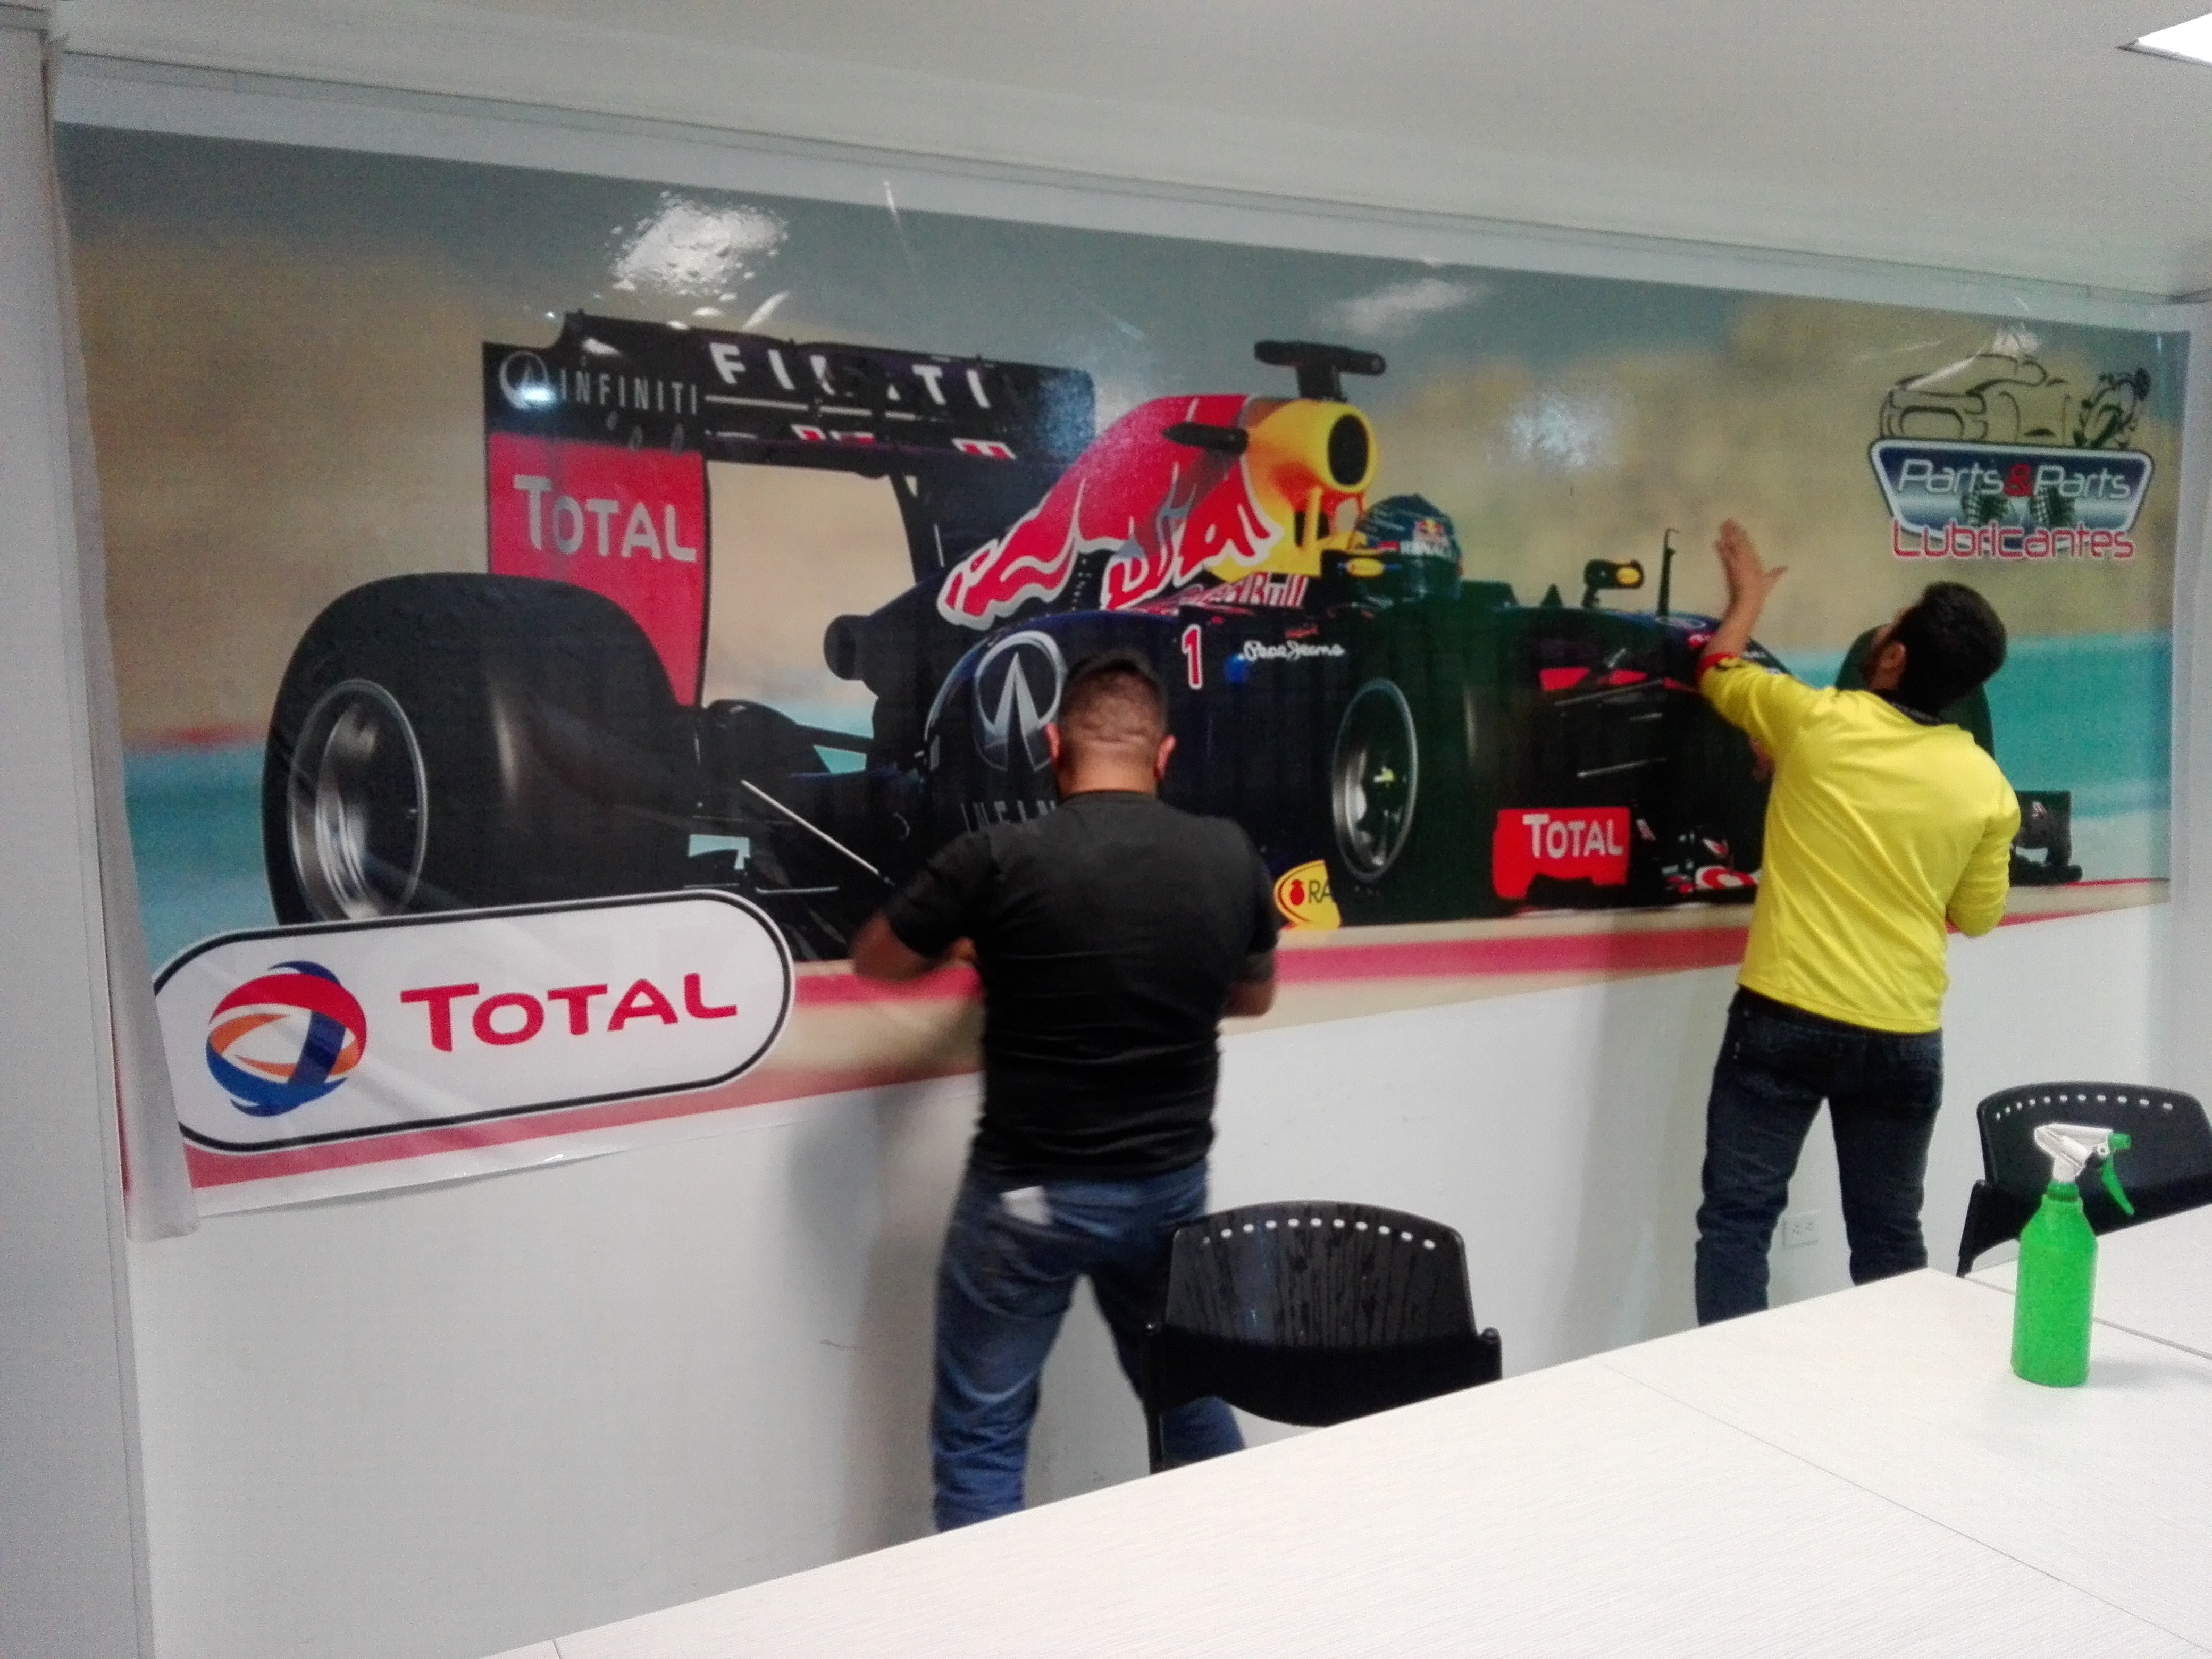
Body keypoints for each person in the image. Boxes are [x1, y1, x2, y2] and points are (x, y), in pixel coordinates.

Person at [851, 649, 1279, 1529]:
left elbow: (878, 960)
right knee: (1190, 1400)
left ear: (1054, 746)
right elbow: (1254, 997)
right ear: (1163, 756)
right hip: (1168, 1191)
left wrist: (973, 945)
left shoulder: (996, 859)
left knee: (983, 1441)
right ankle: (1248, 1580)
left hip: (1028, 1199)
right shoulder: (1228, 853)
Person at [1691, 520, 2018, 1324]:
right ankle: (1899, 1390)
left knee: (1738, 1224)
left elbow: (1717, 669)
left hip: (1783, 1018)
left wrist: (1748, 598)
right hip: (1903, 1033)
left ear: (1894, 657)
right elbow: (1977, 916)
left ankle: (1731, 1393)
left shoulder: (1814, 722)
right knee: (1889, 1238)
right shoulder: (1985, 785)